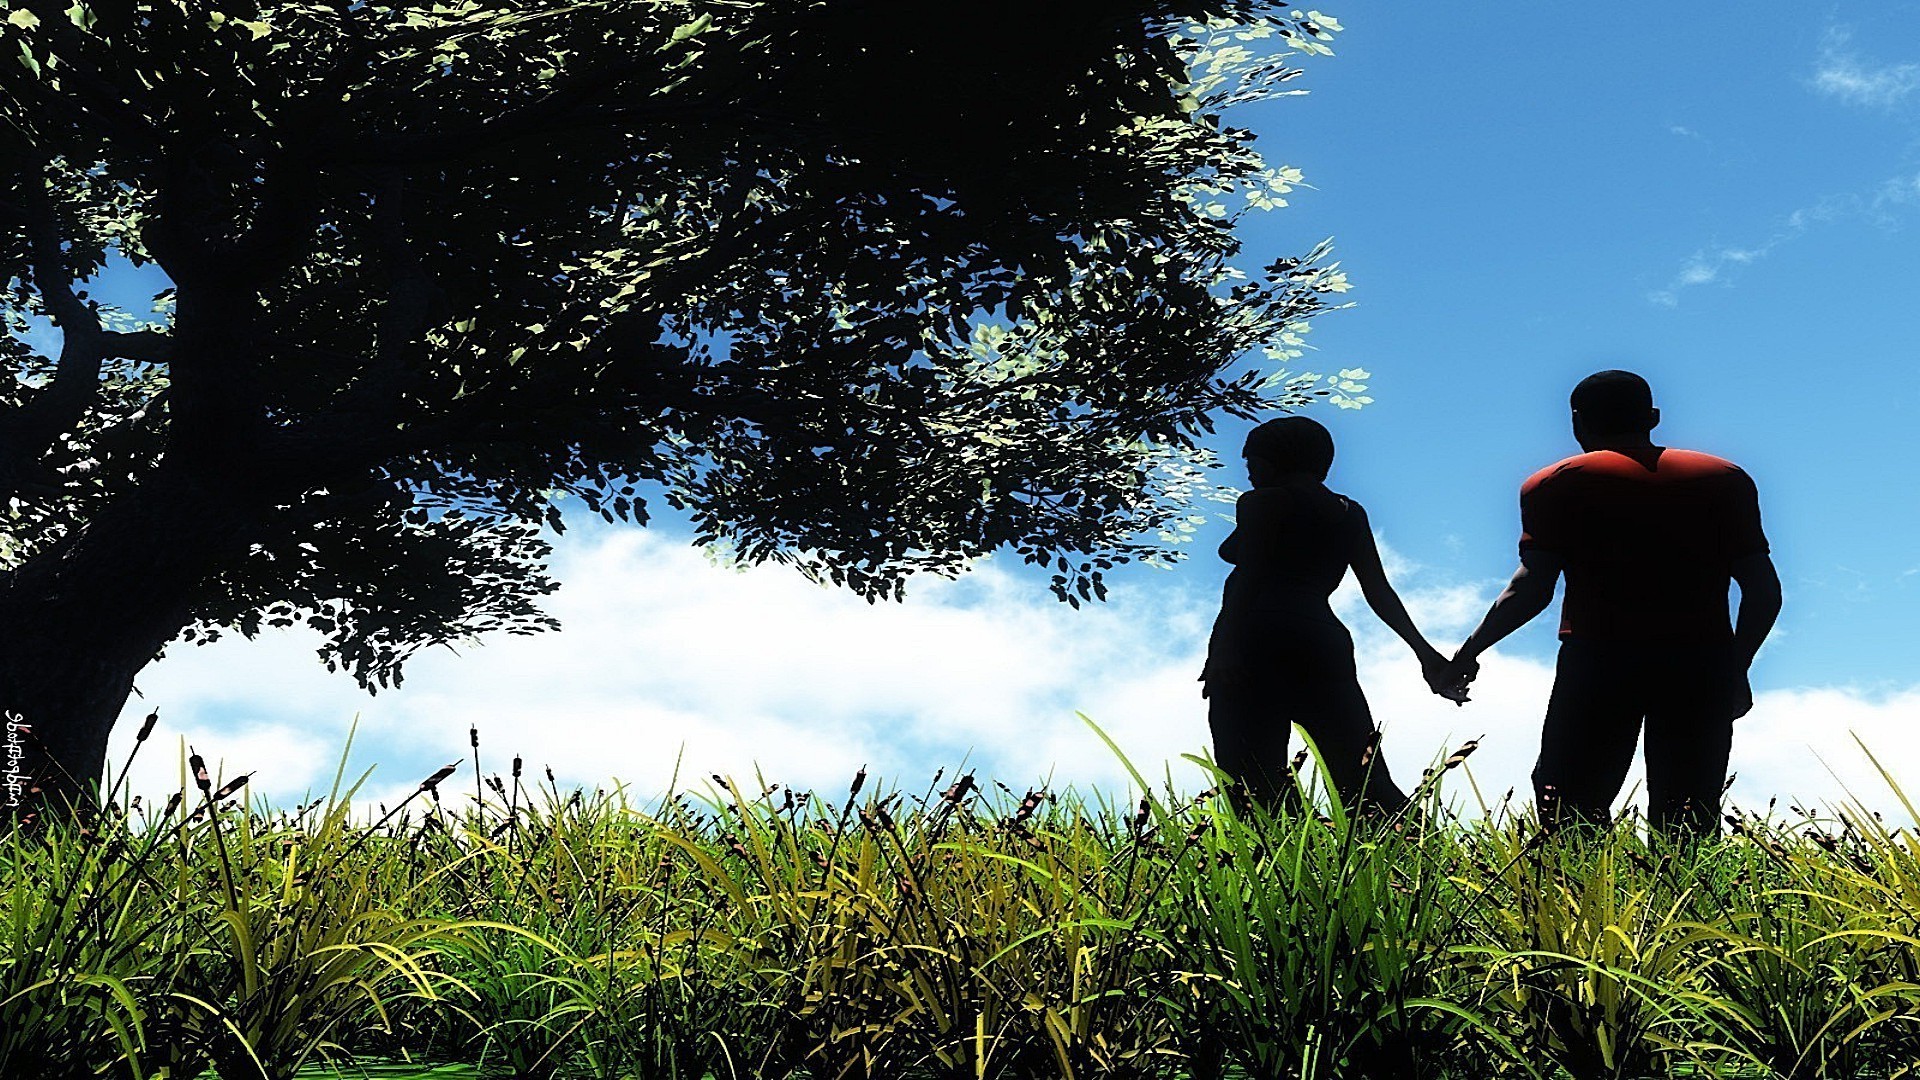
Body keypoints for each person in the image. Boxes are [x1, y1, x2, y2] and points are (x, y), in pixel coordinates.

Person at [1443, 370, 1782, 839]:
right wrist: (1733, 667)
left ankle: (1580, 906)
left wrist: (1468, 653)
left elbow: (1532, 588)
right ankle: (1684, 908)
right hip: (1699, 661)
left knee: (1568, 803)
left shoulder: (1555, 484)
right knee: (1687, 810)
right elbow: (1764, 591)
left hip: (1599, 660)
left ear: (1577, 423)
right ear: (1653, 417)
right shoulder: (1724, 479)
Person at [1200, 416, 1469, 819]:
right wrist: (1426, 655)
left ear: (1276, 460)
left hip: (1257, 635)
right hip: (1323, 639)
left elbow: (1249, 574)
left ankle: (1279, 861)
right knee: (1359, 772)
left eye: (1252, 461)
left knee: (1252, 773)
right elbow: (1378, 590)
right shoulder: (1348, 512)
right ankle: (1409, 853)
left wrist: (1223, 648)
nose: (1249, 471)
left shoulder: (1262, 503)